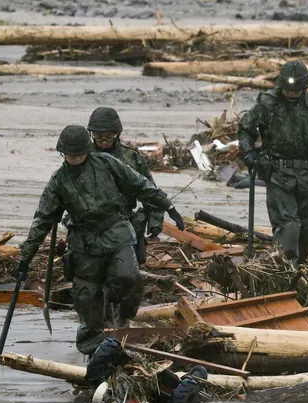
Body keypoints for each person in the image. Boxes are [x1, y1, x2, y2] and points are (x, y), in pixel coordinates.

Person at [17, 125, 185, 357]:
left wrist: (168, 206)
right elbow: (42, 220)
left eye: (80, 154)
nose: (76, 159)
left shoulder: (106, 163)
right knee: (86, 298)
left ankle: (121, 318)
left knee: (128, 277)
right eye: (71, 155)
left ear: (87, 150)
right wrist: (25, 257)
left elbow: (139, 184)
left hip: (116, 230)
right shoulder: (58, 182)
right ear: (63, 153)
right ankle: (94, 352)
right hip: (84, 242)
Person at [237, 60, 308, 265]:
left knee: (307, 228)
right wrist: (249, 152)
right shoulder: (268, 103)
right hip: (278, 172)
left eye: (295, 90)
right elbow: (245, 129)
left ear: (304, 87)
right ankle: (282, 269)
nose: (291, 93)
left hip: (306, 176)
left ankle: (297, 267)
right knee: (289, 226)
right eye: (287, 89)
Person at [87, 107, 165, 265]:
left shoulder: (131, 158)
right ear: (91, 134)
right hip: (90, 225)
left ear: (116, 134)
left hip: (124, 223)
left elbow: (150, 192)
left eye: (108, 136)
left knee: (125, 272)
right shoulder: (83, 156)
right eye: (98, 136)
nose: (103, 141)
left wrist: (155, 224)